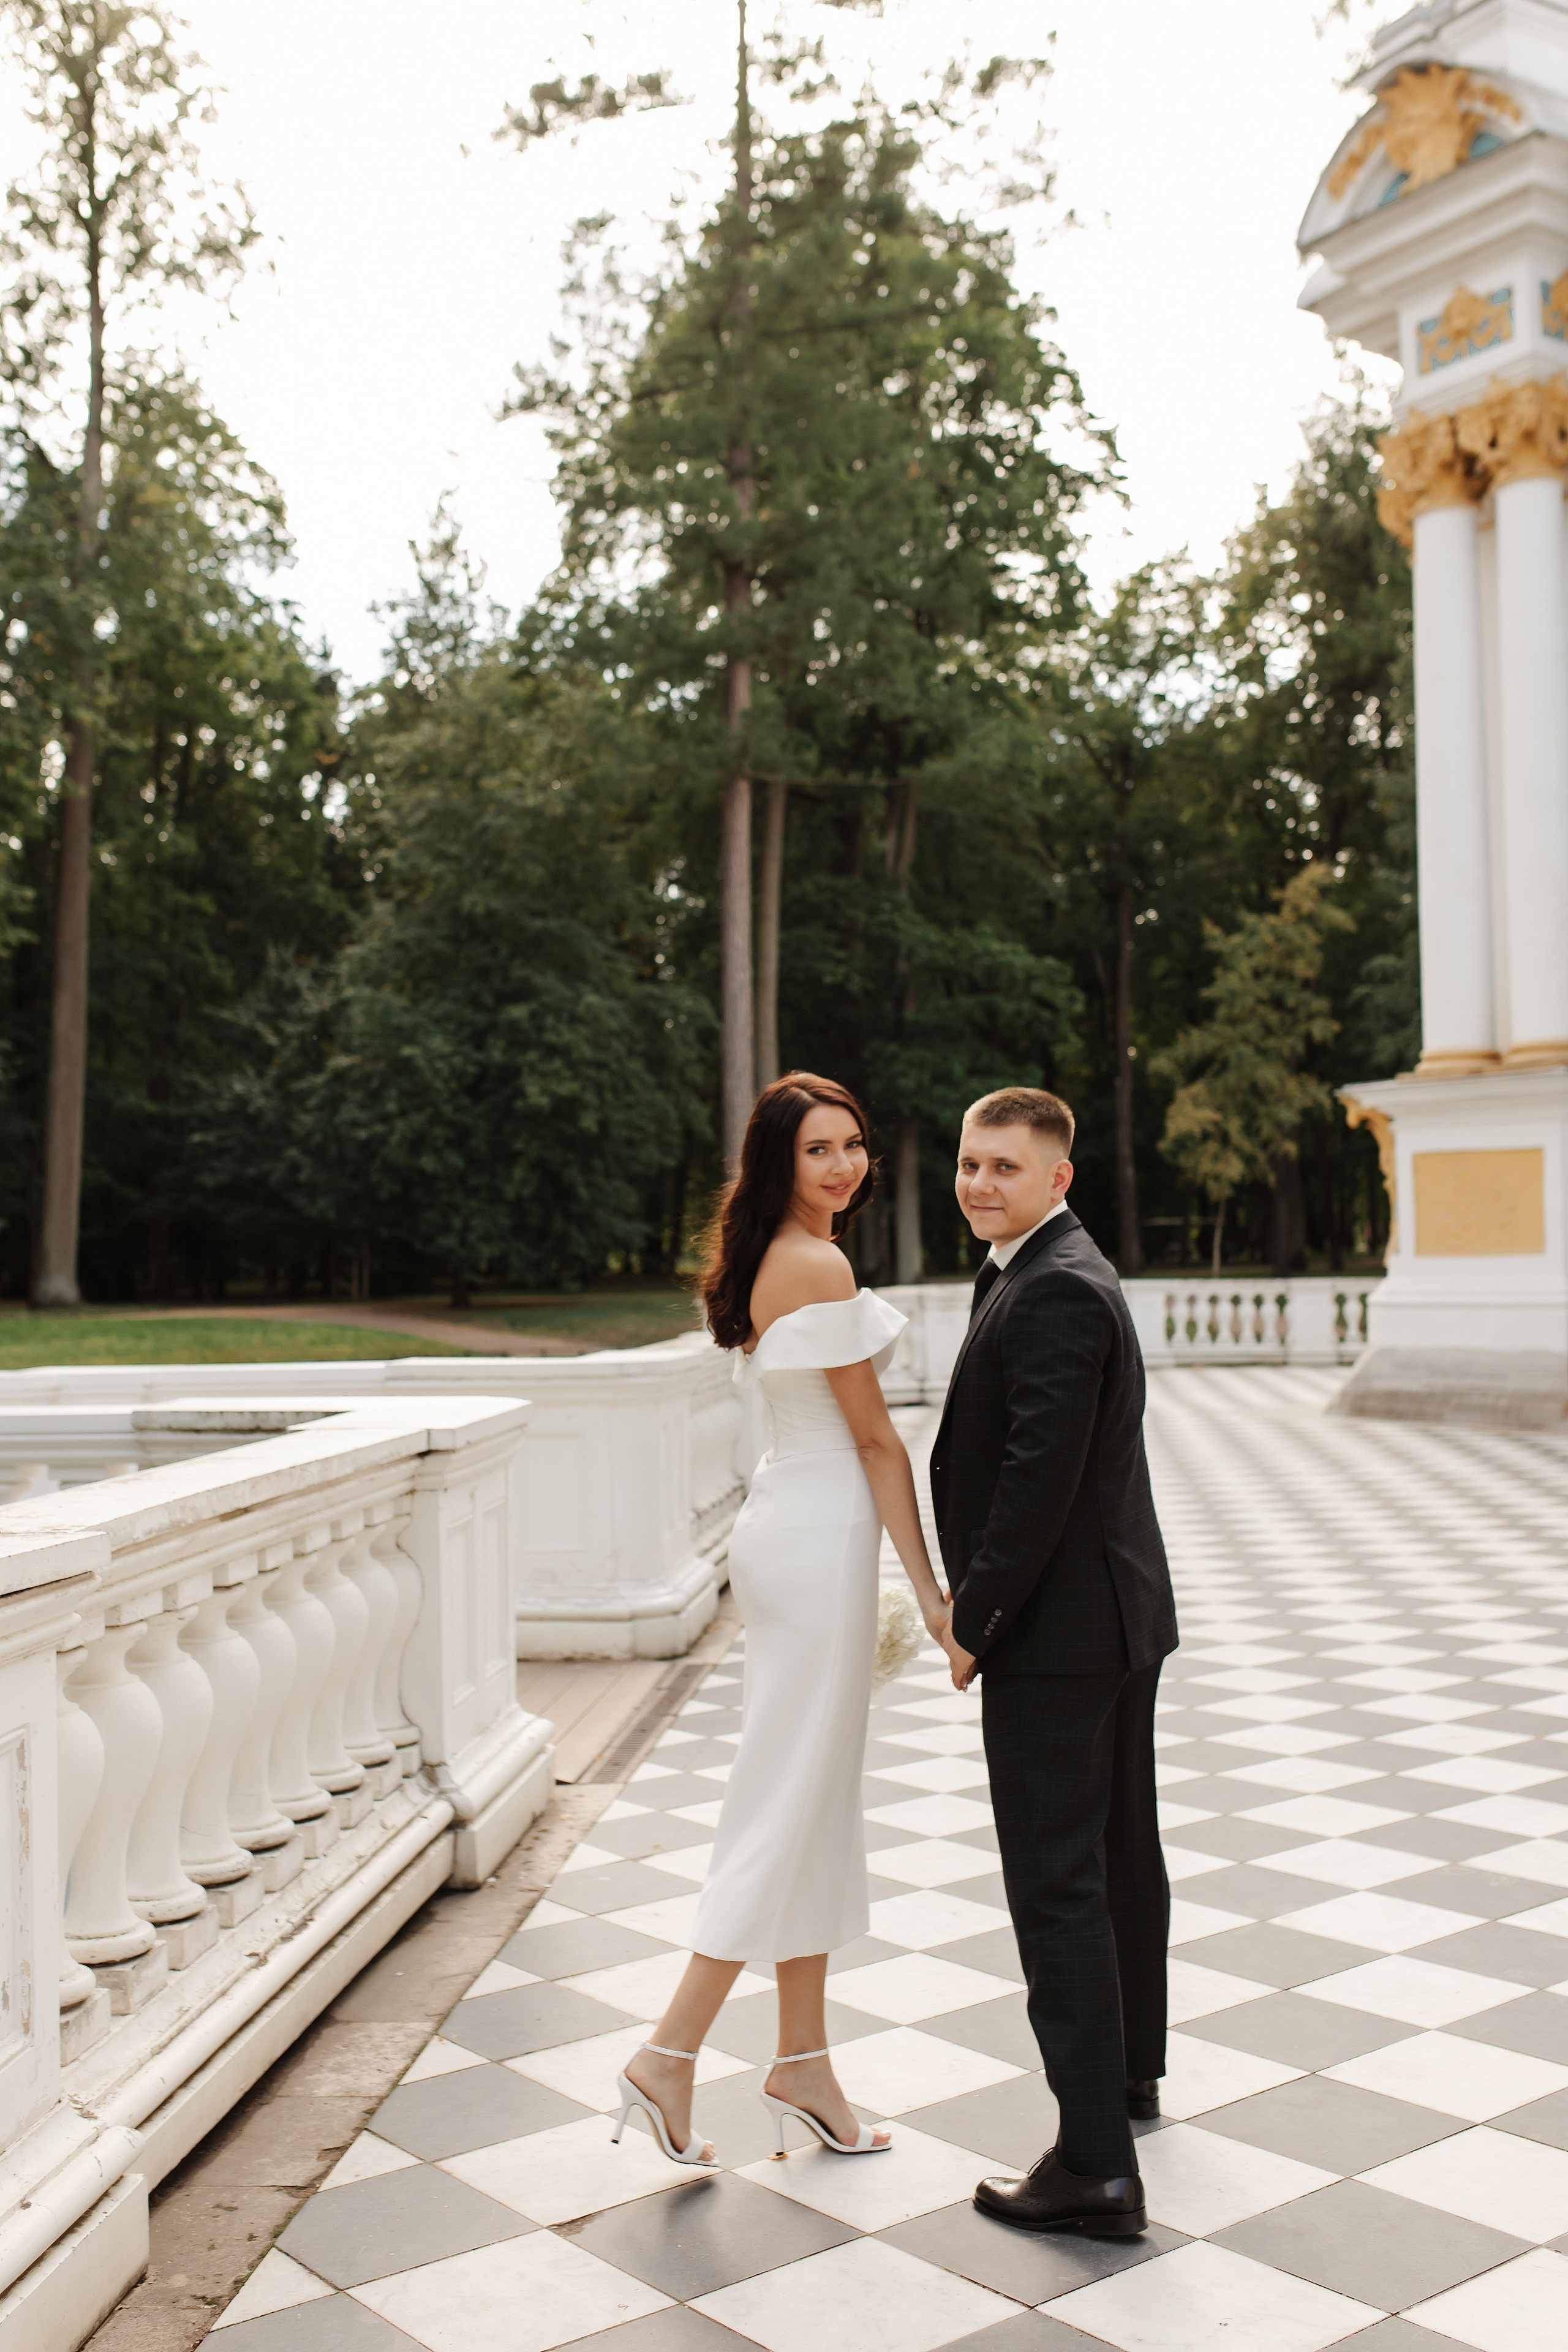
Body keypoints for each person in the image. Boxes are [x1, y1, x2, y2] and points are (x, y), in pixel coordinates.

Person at [612, 1071, 955, 2168]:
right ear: (778, 1164)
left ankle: (802, 2061)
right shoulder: (816, 1263)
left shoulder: (775, 1257)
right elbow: (877, 1442)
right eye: (819, 1151)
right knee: (785, 1800)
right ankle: (668, 2055)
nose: (846, 1166)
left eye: (854, 1144)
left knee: (810, 1798)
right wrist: (939, 1600)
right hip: (817, 1540)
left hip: (797, 1531)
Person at [931, 1086, 1177, 2238]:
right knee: (1121, 1851)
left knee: (1058, 1883)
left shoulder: (1056, 1291)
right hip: (1114, 1623)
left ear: (1058, 1178)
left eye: (1005, 1168)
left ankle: (1094, 2169)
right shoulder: (1051, 1266)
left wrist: (973, 1622)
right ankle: (1125, 2079)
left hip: (1062, 1636)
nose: (981, 1183)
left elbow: (1039, 1484)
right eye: (972, 1163)